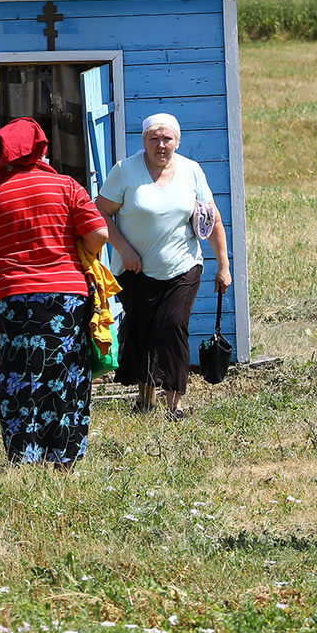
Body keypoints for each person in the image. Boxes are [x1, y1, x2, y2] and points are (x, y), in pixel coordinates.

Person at [0, 118, 109, 466]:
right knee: (66, 373)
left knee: (18, 376)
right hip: (65, 297)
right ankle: (65, 456)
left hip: (11, 299)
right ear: (42, 148)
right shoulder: (66, 187)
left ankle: (23, 456)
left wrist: (6, 278)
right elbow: (99, 235)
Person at [97, 113, 231, 420]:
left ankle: (175, 404)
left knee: (172, 326)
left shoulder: (191, 171)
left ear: (177, 141)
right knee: (142, 328)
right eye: (154, 138)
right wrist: (124, 249)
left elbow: (213, 219)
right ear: (143, 141)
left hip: (183, 265)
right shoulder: (125, 171)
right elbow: (100, 212)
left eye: (167, 139)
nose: (161, 145)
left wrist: (223, 266)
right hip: (134, 269)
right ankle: (146, 397)